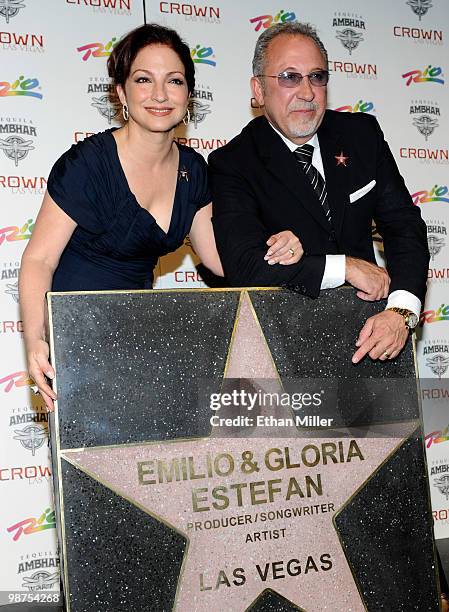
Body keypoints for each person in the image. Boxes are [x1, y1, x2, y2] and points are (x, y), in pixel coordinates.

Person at [19, 23, 302, 411]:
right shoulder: (87, 165)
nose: (159, 95)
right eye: (143, 80)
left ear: (188, 95)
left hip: (140, 338)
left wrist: (276, 244)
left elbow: (221, 260)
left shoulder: (194, 170)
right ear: (121, 92)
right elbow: (39, 260)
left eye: (174, 81)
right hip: (75, 336)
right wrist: (36, 338)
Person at [209, 22, 429, 366]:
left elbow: (404, 226)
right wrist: (345, 267)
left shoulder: (362, 134)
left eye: (317, 77)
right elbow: (244, 267)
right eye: (289, 77)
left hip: (377, 340)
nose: (307, 92)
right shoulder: (233, 162)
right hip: (285, 354)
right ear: (258, 89)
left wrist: (401, 311)